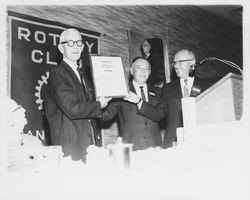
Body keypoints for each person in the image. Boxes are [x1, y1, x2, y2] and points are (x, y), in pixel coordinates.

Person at [43, 28, 111, 162]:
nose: (76, 47)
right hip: (71, 146)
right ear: (61, 48)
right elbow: (73, 108)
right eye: (71, 43)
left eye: (79, 43)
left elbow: (90, 109)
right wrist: (99, 104)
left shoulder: (83, 75)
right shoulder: (58, 73)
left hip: (88, 143)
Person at [101, 57, 166, 150]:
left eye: (147, 69)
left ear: (150, 72)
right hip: (131, 147)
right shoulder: (122, 90)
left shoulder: (158, 91)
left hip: (155, 146)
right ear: (131, 71)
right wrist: (101, 102)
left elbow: (160, 115)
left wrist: (139, 101)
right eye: (139, 68)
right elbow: (106, 115)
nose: (143, 72)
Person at [161, 49, 211, 148]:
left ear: (192, 63)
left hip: (202, 141)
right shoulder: (167, 88)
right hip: (174, 143)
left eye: (179, 62)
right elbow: (159, 113)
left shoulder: (208, 86)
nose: (175, 66)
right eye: (174, 63)